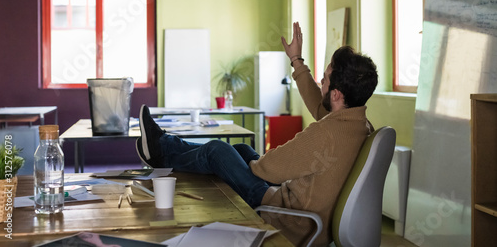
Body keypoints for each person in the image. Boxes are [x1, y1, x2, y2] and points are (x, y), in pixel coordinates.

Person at [135, 21, 378, 247]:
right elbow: (319, 105)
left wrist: (242, 165)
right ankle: (164, 146)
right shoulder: (357, 124)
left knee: (218, 150)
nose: (320, 82)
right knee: (240, 150)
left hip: (291, 220)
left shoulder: (326, 133)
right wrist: (296, 60)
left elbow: (269, 169)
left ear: (336, 94)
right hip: (310, 213)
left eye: (324, 79)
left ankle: (162, 152)